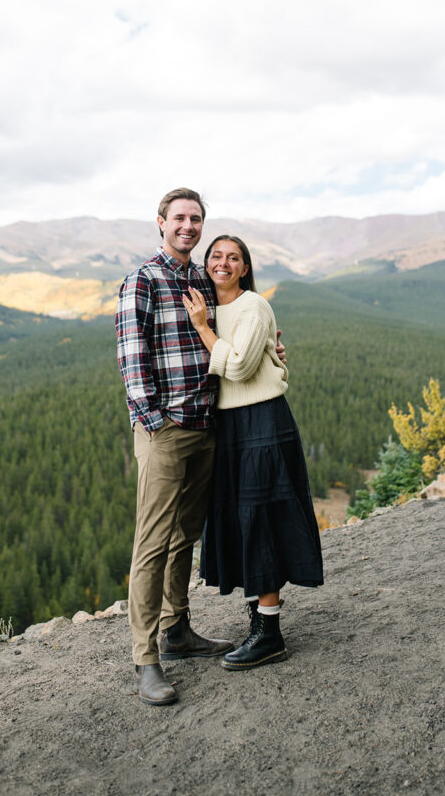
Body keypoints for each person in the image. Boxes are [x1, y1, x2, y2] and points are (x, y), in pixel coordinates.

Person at [116, 189, 285, 705]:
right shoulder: (143, 280)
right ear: (161, 224)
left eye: (196, 220)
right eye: (180, 219)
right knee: (152, 541)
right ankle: (147, 660)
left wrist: (273, 343)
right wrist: (154, 423)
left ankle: (177, 630)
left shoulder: (199, 278)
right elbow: (131, 357)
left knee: (185, 534)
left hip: (208, 426)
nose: (188, 227)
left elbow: (234, 327)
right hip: (166, 431)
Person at [182, 235, 323, 670]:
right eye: (216, 256)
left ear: (244, 267)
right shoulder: (210, 305)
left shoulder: (252, 306)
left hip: (261, 421)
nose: (223, 263)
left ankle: (270, 634)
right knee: (241, 521)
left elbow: (241, 367)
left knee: (262, 519)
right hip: (229, 425)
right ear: (206, 264)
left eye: (234, 258)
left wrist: (204, 329)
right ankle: (258, 620)